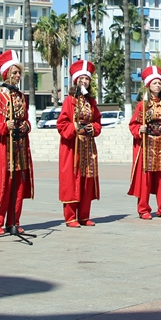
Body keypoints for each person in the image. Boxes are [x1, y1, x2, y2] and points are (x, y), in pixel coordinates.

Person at [0, 50, 34, 234]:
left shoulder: (20, 97)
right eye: (14, 73)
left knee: (18, 186)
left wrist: (26, 126)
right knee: (3, 186)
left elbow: (26, 119)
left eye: (19, 73)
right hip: (4, 149)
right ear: (6, 74)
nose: (18, 76)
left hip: (19, 148)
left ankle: (14, 221)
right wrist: (6, 126)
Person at [128, 65, 161, 219]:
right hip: (147, 144)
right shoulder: (142, 105)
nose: (158, 85)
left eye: (159, 83)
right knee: (146, 178)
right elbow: (133, 124)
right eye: (155, 83)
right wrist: (139, 129)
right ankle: (144, 209)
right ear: (148, 85)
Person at [58, 59, 101, 227]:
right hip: (73, 147)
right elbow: (62, 124)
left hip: (88, 147)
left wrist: (93, 128)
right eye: (82, 79)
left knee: (87, 179)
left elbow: (97, 121)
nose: (84, 82)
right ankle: (70, 216)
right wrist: (74, 127)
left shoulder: (91, 103)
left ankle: (84, 215)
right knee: (72, 179)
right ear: (76, 81)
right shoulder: (69, 101)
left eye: (87, 79)